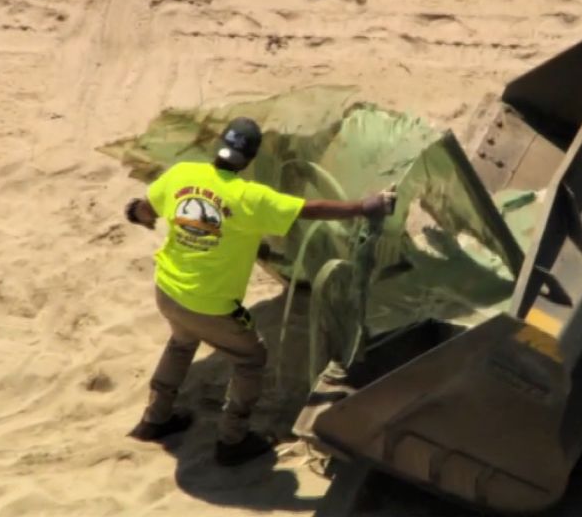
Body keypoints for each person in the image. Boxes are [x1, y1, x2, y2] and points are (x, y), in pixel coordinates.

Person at [122, 116, 395, 466]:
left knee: (181, 341)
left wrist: (136, 213)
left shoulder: (181, 175)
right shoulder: (251, 199)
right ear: (250, 158)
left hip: (168, 292)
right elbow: (309, 209)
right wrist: (363, 206)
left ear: (219, 146)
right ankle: (232, 439)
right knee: (251, 359)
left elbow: (144, 210)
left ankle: (154, 420)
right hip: (212, 306)